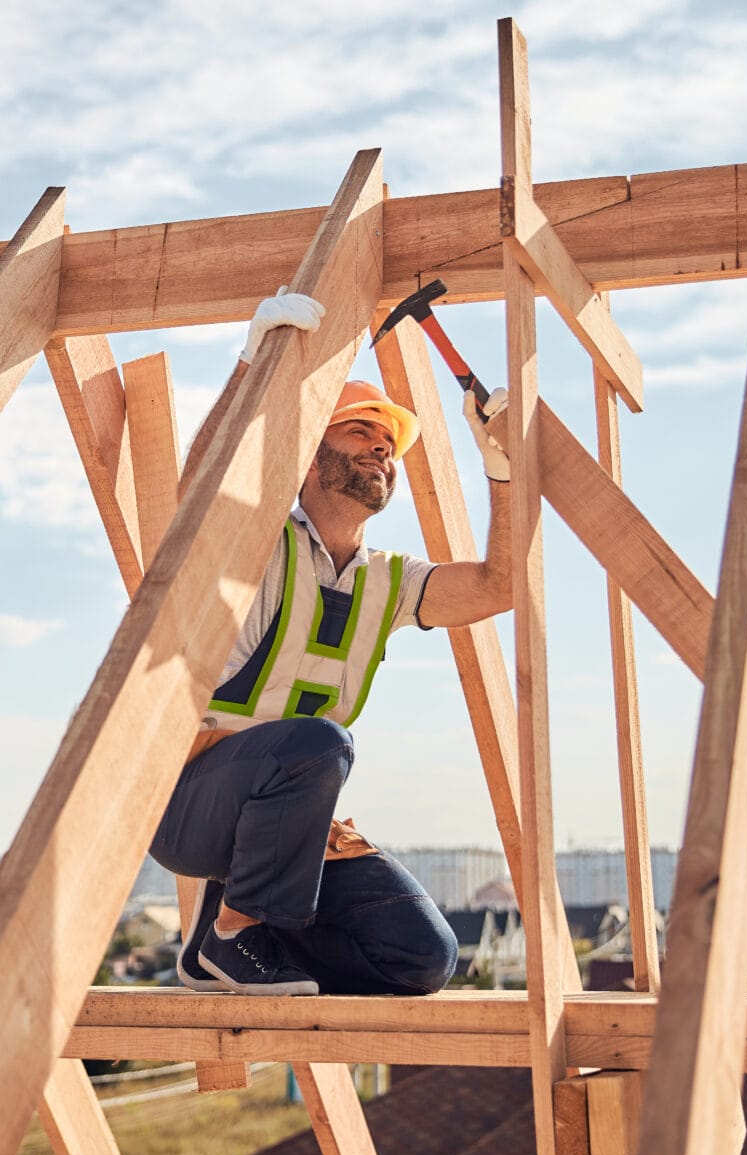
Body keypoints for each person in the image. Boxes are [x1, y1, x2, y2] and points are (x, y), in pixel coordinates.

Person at [152, 287, 512, 997]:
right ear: (311, 457)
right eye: (359, 431)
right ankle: (233, 933)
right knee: (321, 743)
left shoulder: (387, 581)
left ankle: (221, 944)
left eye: (389, 443)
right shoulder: (260, 546)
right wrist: (252, 367)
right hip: (194, 806)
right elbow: (199, 491)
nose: (382, 446)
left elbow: (501, 586)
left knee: (422, 959)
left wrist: (504, 471)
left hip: (286, 830)